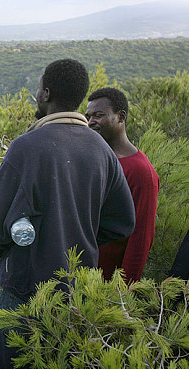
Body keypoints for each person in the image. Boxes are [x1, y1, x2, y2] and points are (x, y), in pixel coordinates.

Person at [0, 59, 135, 369]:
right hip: (78, 294)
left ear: (46, 93)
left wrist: (30, 239)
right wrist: (78, 234)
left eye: (38, 88)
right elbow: (123, 222)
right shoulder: (101, 150)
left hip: (25, 292)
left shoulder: (26, 147)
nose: (36, 94)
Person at [86, 87, 160, 283]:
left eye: (98, 115)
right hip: (79, 279)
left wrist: (122, 293)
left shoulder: (141, 172)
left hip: (106, 287)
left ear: (120, 117)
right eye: (88, 116)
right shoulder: (95, 159)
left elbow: (140, 240)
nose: (91, 121)